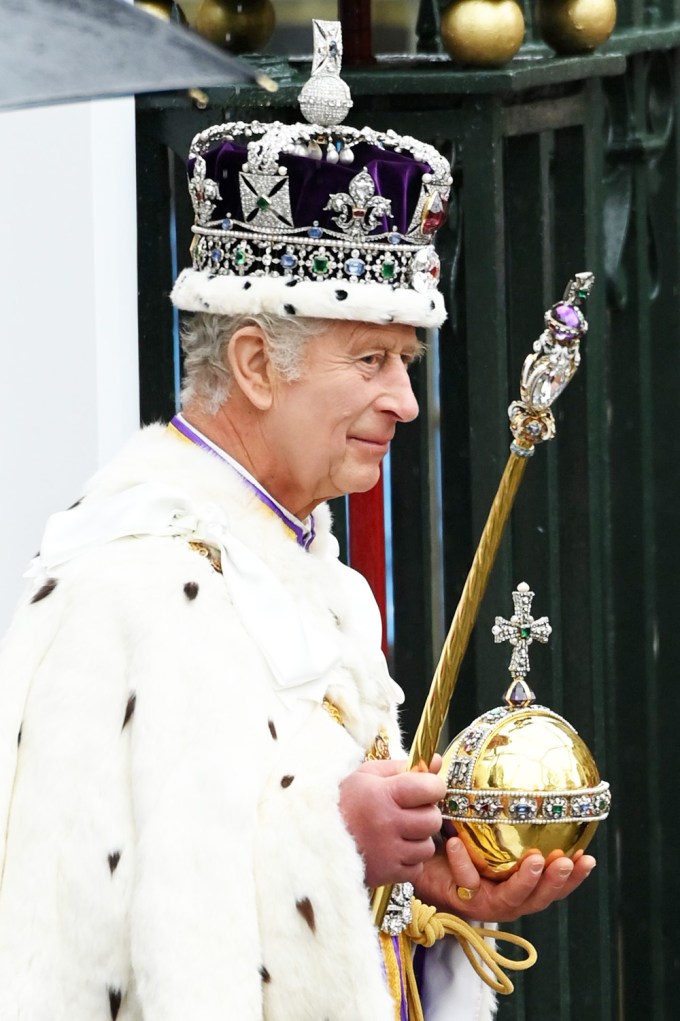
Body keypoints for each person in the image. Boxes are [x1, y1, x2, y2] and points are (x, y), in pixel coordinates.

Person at [0, 21, 594, 1021]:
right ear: (251, 365)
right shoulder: (118, 585)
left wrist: (426, 885)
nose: (404, 401)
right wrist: (333, 837)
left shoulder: (314, 568)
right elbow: (66, 958)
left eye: (402, 360)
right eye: (369, 361)